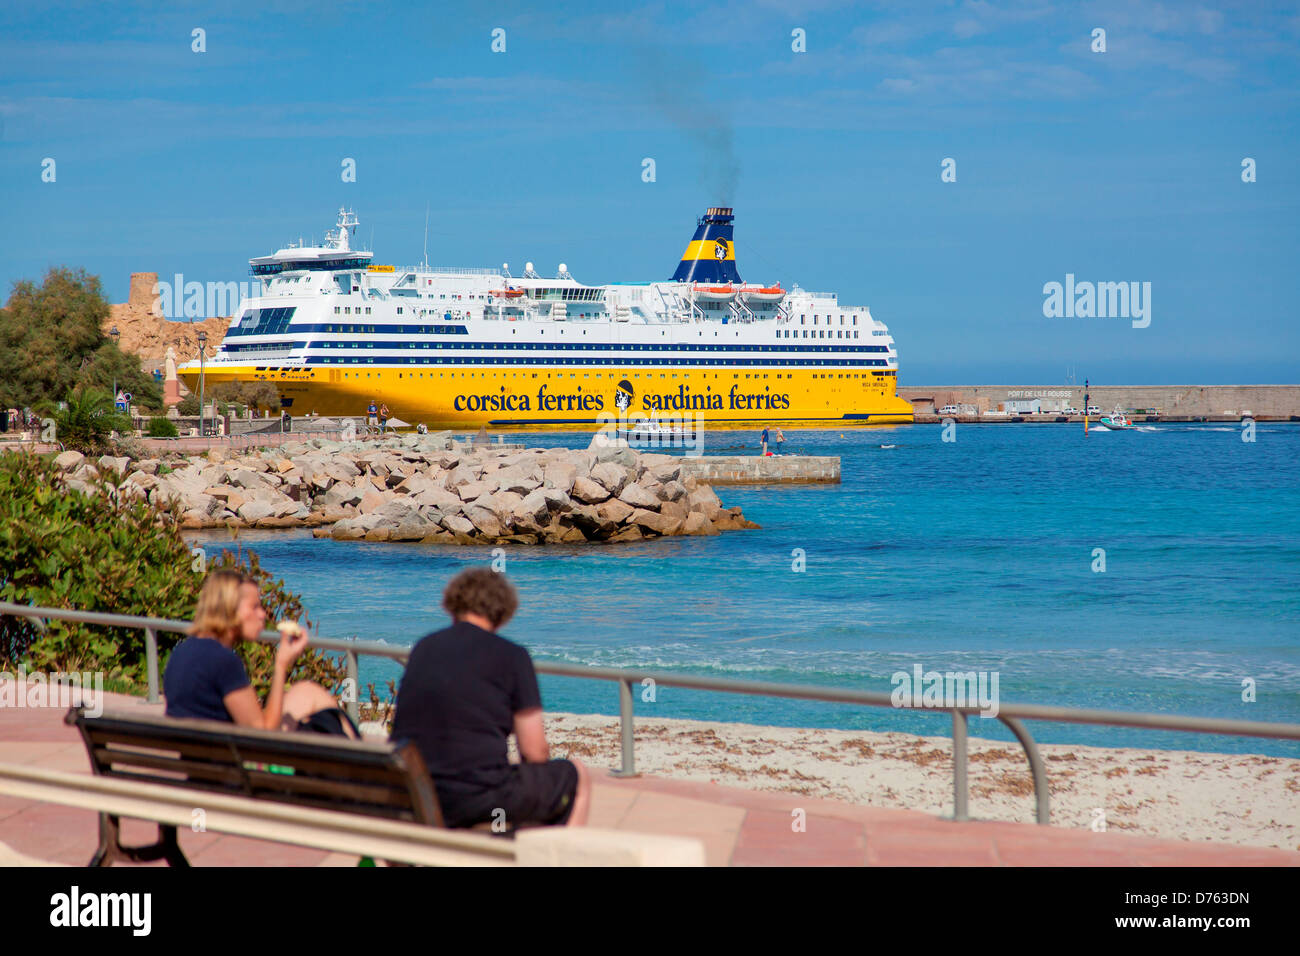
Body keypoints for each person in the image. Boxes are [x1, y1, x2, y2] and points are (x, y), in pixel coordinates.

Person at [392, 568, 590, 830]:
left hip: (413, 790)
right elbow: (534, 751)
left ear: (453, 604)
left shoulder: (423, 648)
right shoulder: (513, 657)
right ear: (503, 611)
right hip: (479, 798)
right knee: (576, 775)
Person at [164, 569, 357, 736]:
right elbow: (264, 733)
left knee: (306, 691)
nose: (263, 614)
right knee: (330, 724)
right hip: (238, 770)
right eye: (254, 607)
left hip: (204, 764)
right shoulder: (223, 661)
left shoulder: (183, 651)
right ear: (230, 609)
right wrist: (281, 665)